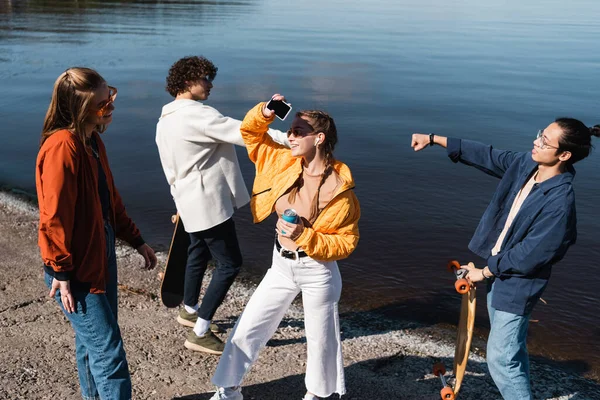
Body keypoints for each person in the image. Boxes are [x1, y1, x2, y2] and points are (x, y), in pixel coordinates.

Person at [411, 119, 600, 399]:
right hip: (499, 273)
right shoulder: (528, 166)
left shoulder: (559, 203)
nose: (536, 142)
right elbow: (489, 156)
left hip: (519, 284)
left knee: (500, 359)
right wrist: (434, 138)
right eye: (540, 135)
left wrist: (485, 272)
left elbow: (532, 254)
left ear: (564, 155)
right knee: (512, 350)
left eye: (545, 142)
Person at [210, 94, 360, 400]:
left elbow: (346, 242)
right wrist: (265, 112)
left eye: (298, 132)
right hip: (280, 265)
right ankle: (228, 390)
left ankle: (316, 396)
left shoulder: (339, 186)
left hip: (317, 271)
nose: (290, 135)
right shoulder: (281, 161)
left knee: (320, 341)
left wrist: (304, 235)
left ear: (319, 138)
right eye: (290, 130)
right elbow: (250, 134)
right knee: (249, 326)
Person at [36, 67, 157, 400]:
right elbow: (53, 216)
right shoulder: (63, 147)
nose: (112, 108)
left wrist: (136, 239)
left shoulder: (91, 141)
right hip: (74, 266)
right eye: (104, 104)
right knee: (109, 352)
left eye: (111, 97)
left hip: (99, 250)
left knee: (92, 344)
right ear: (80, 109)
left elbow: (109, 201)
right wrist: (60, 269)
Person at [155, 56, 290, 355]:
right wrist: (291, 140)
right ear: (188, 81)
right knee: (230, 264)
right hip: (208, 203)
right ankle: (200, 331)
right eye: (205, 79)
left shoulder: (165, 119)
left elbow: (170, 169)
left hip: (188, 200)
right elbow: (245, 133)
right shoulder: (197, 116)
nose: (210, 84)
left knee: (198, 253)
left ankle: (189, 310)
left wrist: (177, 202)